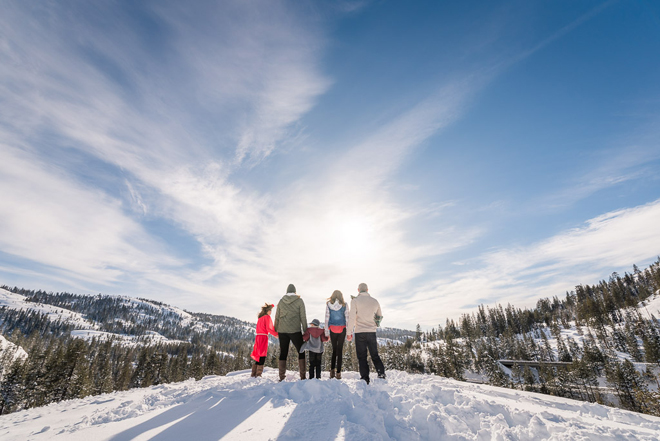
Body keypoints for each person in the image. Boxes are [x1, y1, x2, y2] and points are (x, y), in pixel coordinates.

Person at [347, 282, 386, 384]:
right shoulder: (375, 301)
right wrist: (375, 324)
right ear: (367, 290)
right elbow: (380, 316)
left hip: (359, 332)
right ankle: (381, 373)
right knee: (374, 354)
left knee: (362, 356)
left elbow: (351, 317)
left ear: (358, 290)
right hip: (371, 331)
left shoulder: (355, 301)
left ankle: (365, 378)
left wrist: (349, 332)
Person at [274, 284, 308, 381]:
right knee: (301, 350)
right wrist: (306, 331)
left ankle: (281, 377)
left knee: (283, 352)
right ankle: (302, 376)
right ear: (295, 291)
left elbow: (277, 317)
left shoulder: (281, 301)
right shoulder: (299, 301)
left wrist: (276, 330)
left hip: (282, 330)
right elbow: (303, 317)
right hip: (295, 330)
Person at [324, 290, 350, 379]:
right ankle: (338, 373)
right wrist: (349, 332)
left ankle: (332, 373)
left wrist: (326, 333)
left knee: (334, 351)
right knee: (340, 351)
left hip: (333, 329)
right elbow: (347, 319)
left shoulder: (328, 305)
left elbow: (327, 318)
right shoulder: (344, 305)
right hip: (342, 329)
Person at [250, 303, 278, 377]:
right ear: (267, 311)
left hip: (258, 337)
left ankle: (253, 373)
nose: (271, 312)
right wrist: (275, 334)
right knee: (262, 355)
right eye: (270, 311)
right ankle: (258, 374)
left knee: (258, 354)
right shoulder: (267, 317)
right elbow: (269, 328)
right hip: (263, 337)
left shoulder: (260, 318)